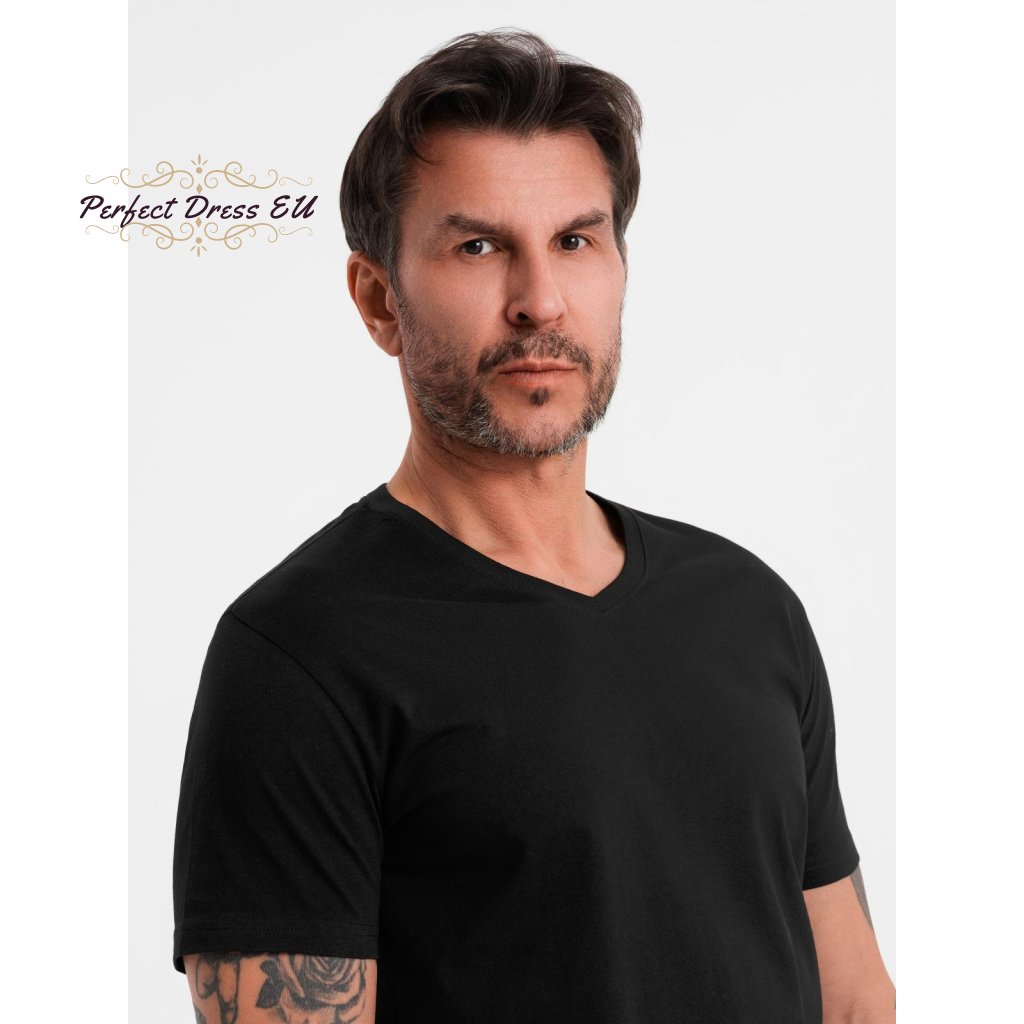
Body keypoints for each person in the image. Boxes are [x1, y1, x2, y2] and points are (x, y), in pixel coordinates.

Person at [172, 28, 896, 1024]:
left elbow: (853, 1000)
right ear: (379, 300)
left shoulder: (747, 608)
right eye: (478, 247)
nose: (540, 301)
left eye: (575, 241)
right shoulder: (300, 656)